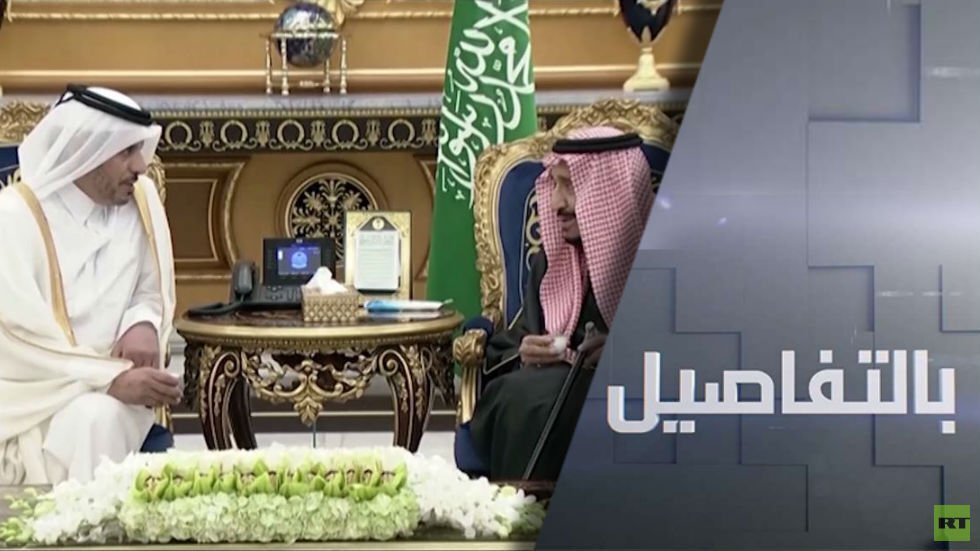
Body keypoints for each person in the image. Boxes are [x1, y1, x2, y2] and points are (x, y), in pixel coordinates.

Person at [0, 84, 181, 485]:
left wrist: (142, 322)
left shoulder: (141, 201)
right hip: (35, 397)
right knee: (93, 418)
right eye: (126, 152)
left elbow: (151, 290)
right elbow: (17, 338)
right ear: (88, 152)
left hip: (123, 389)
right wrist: (108, 379)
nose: (141, 165)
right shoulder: (14, 218)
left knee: (99, 417)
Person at [469, 126, 654, 481]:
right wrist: (525, 350)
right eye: (554, 185)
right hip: (547, 388)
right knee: (517, 393)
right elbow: (513, 339)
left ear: (607, 192)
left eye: (569, 186)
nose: (555, 204)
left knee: (535, 400)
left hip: (626, 394)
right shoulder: (553, 261)